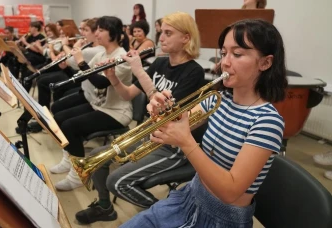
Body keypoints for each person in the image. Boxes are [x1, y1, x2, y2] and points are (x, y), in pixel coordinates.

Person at [121, 18, 287, 227]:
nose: (224, 62)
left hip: (221, 218)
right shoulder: (219, 99)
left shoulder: (267, 121)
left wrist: (187, 143)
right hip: (190, 195)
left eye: (237, 54)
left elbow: (229, 191)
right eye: (224, 52)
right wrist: (160, 109)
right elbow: (171, 127)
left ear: (265, 63)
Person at [74, 12, 207, 224]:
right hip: (149, 133)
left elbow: (167, 113)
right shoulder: (160, 64)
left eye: (168, 33)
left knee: (117, 182)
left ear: (186, 38)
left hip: (171, 144)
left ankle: (169, 218)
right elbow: (127, 94)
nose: (161, 38)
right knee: (98, 158)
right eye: (161, 32)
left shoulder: (194, 72)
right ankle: (105, 207)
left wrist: (138, 70)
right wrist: (113, 78)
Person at [48, 16, 132, 191]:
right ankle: (68, 160)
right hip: (99, 105)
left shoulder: (122, 57)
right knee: (60, 117)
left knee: (70, 126)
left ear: (114, 34)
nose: (97, 33)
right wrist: (74, 56)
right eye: (97, 29)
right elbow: (83, 72)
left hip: (116, 112)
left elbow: (101, 82)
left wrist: (80, 60)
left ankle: (78, 175)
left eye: (101, 30)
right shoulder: (102, 53)